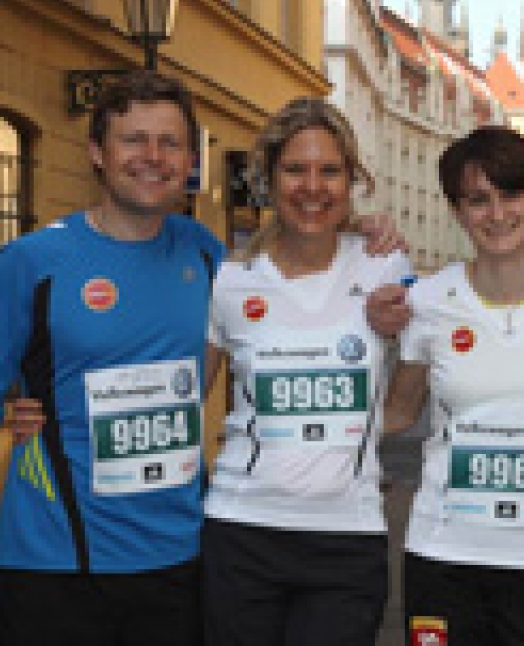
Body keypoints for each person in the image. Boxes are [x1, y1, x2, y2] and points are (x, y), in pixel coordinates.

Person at [0, 72, 225, 644]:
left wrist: (364, 232)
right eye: (134, 140)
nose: (153, 157)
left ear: (191, 157)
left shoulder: (208, 255)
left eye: (170, 142)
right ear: (97, 152)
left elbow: (301, 268)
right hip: (55, 564)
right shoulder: (34, 262)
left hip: (179, 564)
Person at [200, 97, 413, 646]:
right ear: (269, 179)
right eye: (295, 169)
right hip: (242, 529)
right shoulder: (229, 281)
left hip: (347, 536)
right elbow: (184, 399)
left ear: (351, 180)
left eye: (329, 171)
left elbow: (457, 331)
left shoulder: (385, 265)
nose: (312, 187)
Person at [383, 126, 524, 646]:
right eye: (478, 200)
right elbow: (397, 414)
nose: (497, 214)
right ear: (457, 211)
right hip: (443, 555)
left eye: (511, 195)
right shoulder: (429, 301)